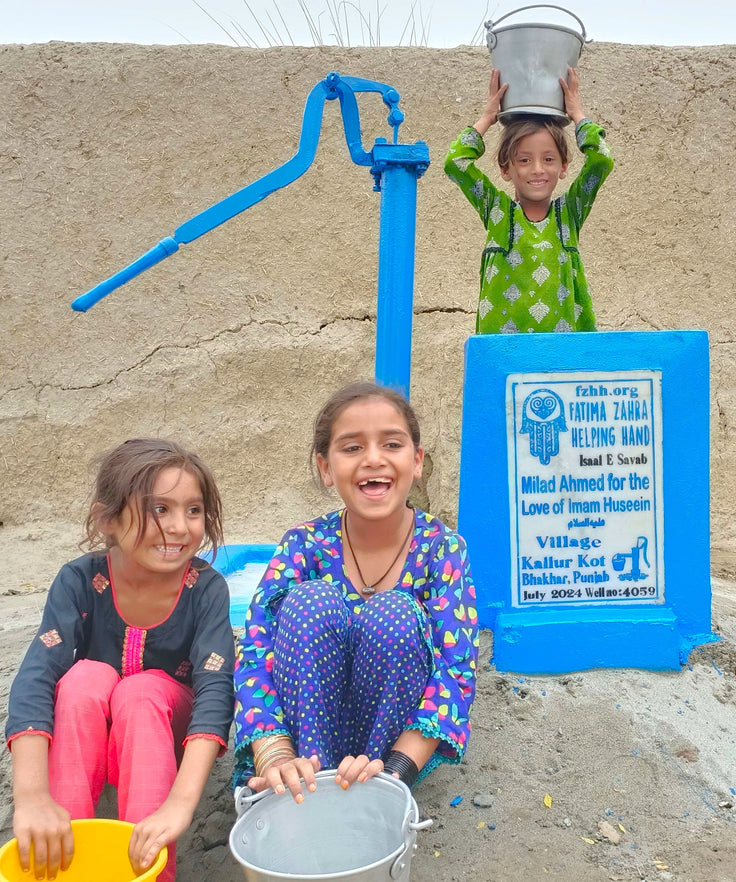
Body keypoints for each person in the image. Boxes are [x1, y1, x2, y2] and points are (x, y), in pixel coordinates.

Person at [233, 382, 478, 800]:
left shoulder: (443, 548)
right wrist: (276, 758)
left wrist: (394, 771)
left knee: (395, 615)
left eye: (392, 444)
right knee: (311, 604)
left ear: (417, 461)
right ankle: (307, 790)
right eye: (351, 448)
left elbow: (455, 672)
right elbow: (255, 650)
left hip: (386, 751)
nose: (373, 459)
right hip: (302, 748)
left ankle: (371, 792)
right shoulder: (303, 544)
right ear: (326, 467)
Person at [6, 439, 233, 881]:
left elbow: (215, 687)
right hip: (88, 717)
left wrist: (179, 804)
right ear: (107, 518)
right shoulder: (80, 578)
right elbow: (38, 672)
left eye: (193, 510)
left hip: (161, 721)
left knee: (141, 689)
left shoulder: (205, 588)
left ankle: (147, 872)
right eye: (160, 509)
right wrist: (32, 795)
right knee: (83, 678)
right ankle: (62, 858)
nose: (181, 528)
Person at [444, 68, 614, 334]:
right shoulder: (496, 211)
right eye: (524, 160)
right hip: (504, 361)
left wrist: (578, 115)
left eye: (548, 159)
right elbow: (455, 163)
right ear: (505, 169)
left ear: (563, 166)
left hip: (562, 361)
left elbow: (601, 160)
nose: (537, 169)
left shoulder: (570, 213)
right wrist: (487, 118)